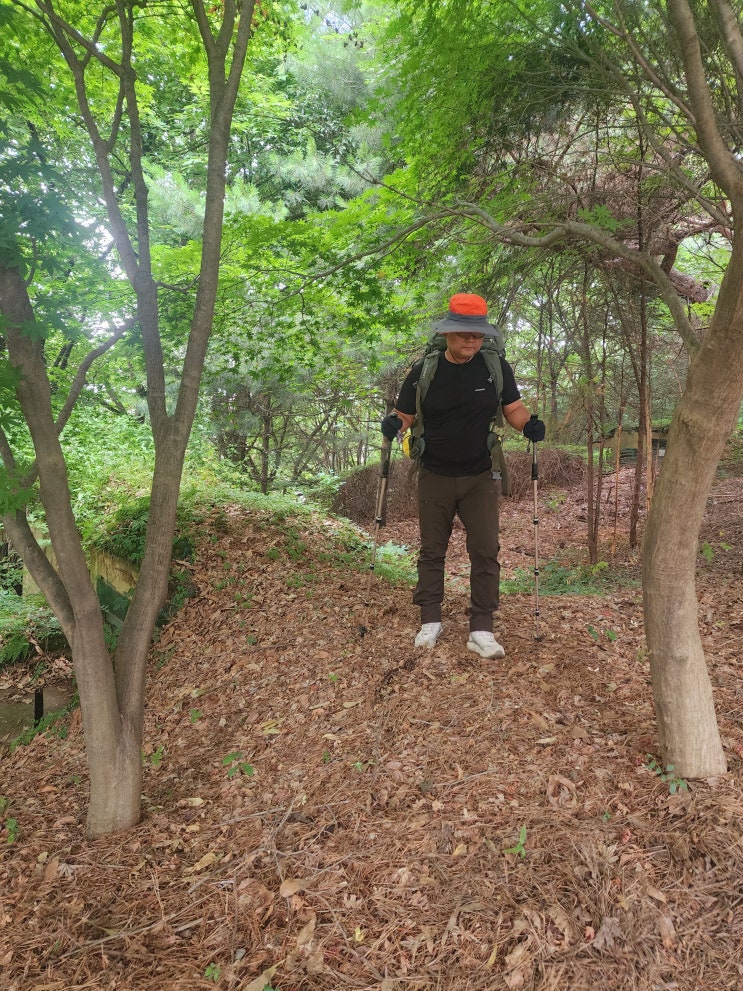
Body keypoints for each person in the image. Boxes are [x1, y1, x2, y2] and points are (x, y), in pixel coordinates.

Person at [381, 293, 545, 659]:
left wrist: (529, 425)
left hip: (479, 475)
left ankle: (481, 628)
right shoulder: (424, 370)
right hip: (434, 473)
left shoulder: (495, 367)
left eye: (477, 335)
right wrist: (395, 424)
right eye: (464, 334)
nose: (471, 340)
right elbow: (404, 414)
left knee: (485, 550)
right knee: (432, 550)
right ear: (447, 333)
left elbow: (514, 409)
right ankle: (430, 619)